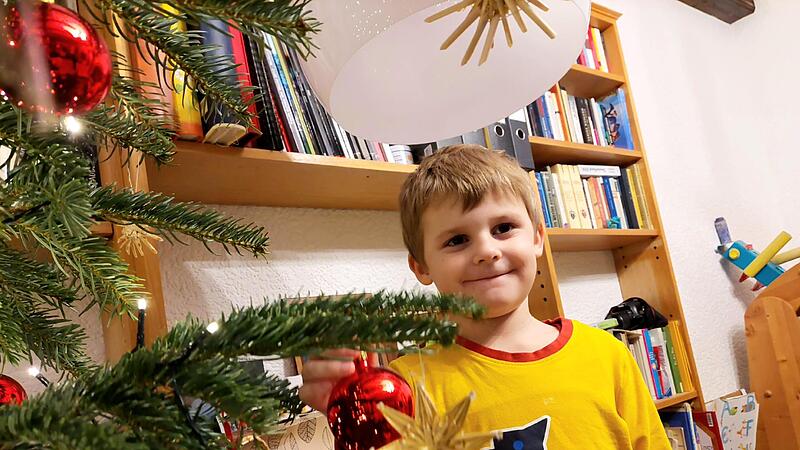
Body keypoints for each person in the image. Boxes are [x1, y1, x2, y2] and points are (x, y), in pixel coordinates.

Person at [300, 144, 670, 449]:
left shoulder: (607, 356)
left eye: (504, 228)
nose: (486, 251)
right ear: (422, 267)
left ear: (538, 237)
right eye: (457, 240)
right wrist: (347, 414)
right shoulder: (404, 387)